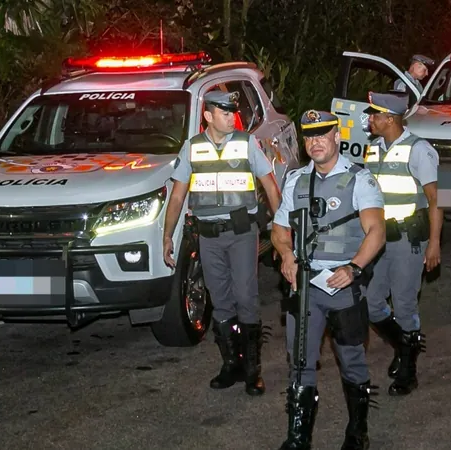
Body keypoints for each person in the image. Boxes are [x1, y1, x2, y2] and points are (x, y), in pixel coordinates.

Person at [273, 110, 386, 449]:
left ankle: (357, 431)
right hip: (305, 286)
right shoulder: (295, 180)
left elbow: (377, 232)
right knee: (301, 361)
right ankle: (298, 437)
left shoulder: (359, 179)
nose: (316, 142)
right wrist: (287, 255)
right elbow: (279, 231)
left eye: (323, 134)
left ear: (337, 135)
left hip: (342, 286)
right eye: (309, 136)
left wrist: (353, 268)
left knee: (351, 360)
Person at [162, 90, 282, 397]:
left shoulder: (246, 143)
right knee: (221, 300)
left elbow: (270, 184)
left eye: (233, 112)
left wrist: (283, 230)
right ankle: (232, 364)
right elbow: (177, 195)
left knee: (246, 297)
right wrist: (167, 235)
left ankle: (253, 371)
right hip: (208, 236)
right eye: (225, 113)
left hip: (241, 234)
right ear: (208, 116)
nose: (232, 117)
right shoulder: (192, 148)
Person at [361, 91, 443, 396]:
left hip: (408, 240)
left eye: (374, 115)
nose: (369, 119)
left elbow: (437, 199)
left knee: (405, 303)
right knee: (371, 303)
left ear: (389, 119)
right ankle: (403, 345)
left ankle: (408, 370)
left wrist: (434, 243)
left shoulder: (419, 151)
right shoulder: (373, 149)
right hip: (377, 240)